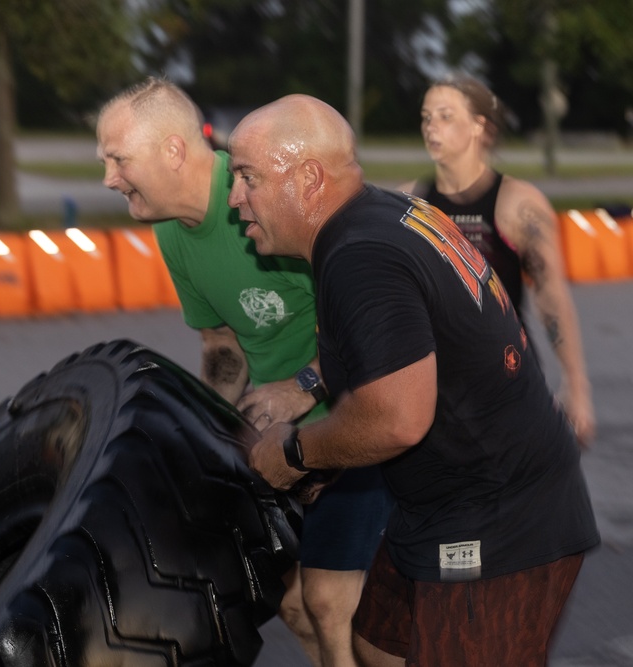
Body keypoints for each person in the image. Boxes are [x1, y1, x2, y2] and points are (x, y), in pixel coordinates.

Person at [229, 93, 600, 666]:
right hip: (438, 505)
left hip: (499, 521)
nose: (235, 200)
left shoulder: (359, 256)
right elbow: (397, 354)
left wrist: (298, 453)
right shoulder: (378, 216)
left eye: (247, 177)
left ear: (306, 178)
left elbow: (398, 416)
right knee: (375, 646)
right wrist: (325, 435)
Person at [96, 77, 392, 667]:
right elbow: (221, 343)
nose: (108, 178)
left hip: (355, 419)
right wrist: (205, 432)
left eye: (117, 158)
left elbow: (372, 316)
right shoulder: (173, 232)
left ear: (173, 151)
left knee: (334, 603)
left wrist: (304, 386)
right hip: (279, 438)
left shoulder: (265, 198)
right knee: (293, 604)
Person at [402, 73, 596, 447]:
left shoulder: (519, 205)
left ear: (479, 127)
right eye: (426, 117)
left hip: (508, 383)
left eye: (445, 116)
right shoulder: (410, 202)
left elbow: (551, 297)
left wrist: (577, 385)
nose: (431, 127)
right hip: (436, 394)